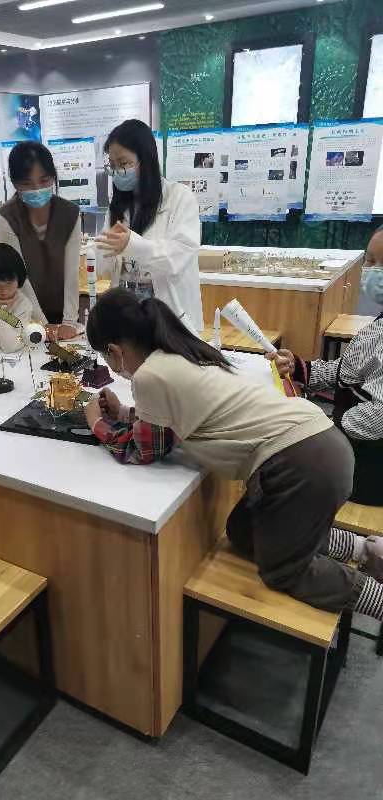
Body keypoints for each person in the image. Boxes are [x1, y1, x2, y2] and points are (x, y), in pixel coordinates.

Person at [83, 288, 383, 623]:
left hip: (299, 464)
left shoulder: (148, 376)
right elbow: (172, 423)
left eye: (106, 358)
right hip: (321, 443)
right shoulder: (182, 352)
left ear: (114, 351)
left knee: (285, 571)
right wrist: (124, 414)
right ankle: (364, 549)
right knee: (243, 529)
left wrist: (95, 421)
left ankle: (378, 598)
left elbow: (142, 449)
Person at [268, 227, 383, 507]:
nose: (375, 272)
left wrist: (322, 427)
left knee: (275, 482)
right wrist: (299, 368)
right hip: (348, 445)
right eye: (370, 261)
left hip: (366, 467)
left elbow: (377, 417)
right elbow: (348, 370)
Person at [95, 119, 203, 332]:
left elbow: (178, 256)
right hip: (128, 319)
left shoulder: (179, 198)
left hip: (171, 320)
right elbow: (103, 268)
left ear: (146, 159)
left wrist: (132, 245)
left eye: (123, 163)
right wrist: (102, 250)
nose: (117, 172)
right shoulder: (118, 207)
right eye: (113, 165)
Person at [0, 141, 81, 340]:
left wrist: (69, 321)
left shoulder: (69, 214)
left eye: (44, 180)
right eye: (27, 183)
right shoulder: (6, 217)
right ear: (15, 183)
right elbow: (19, 276)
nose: (36, 189)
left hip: (63, 310)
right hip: (24, 313)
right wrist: (42, 323)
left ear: (53, 177)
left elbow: (71, 272)